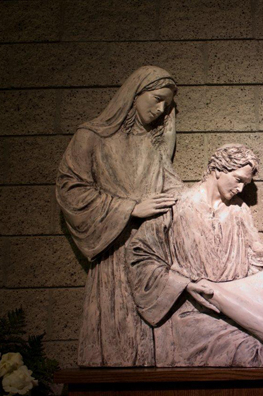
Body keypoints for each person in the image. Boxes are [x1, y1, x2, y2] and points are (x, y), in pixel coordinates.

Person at [56, 66, 184, 367]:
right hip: (114, 247)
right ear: (134, 94)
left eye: (166, 104)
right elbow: (70, 189)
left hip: (152, 250)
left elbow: (173, 189)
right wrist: (130, 209)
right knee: (116, 339)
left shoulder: (153, 145)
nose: (160, 109)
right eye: (157, 99)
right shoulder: (92, 136)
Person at [126, 144, 263, 367]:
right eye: (238, 179)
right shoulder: (175, 205)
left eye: (245, 184)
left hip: (235, 310)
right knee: (259, 356)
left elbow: (256, 257)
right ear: (217, 170)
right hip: (190, 312)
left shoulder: (239, 210)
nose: (240, 188)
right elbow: (140, 256)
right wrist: (183, 285)